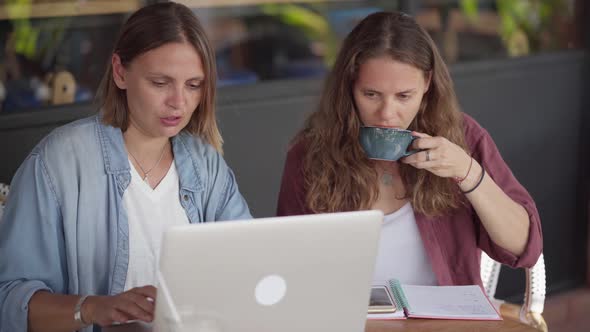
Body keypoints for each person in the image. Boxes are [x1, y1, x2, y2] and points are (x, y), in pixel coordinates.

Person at [0, 3, 251, 331]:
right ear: (120, 72)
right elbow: (9, 300)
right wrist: (91, 308)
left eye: (193, 85)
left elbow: (249, 265)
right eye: (160, 83)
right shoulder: (59, 163)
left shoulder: (205, 165)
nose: (179, 101)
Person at [276, 11, 542, 287]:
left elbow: (524, 248)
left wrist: (468, 172)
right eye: (371, 95)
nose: (387, 114)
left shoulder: (463, 138)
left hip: (442, 324)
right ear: (349, 86)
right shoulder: (312, 153)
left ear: (427, 83)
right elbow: (288, 266)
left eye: (404, 96)